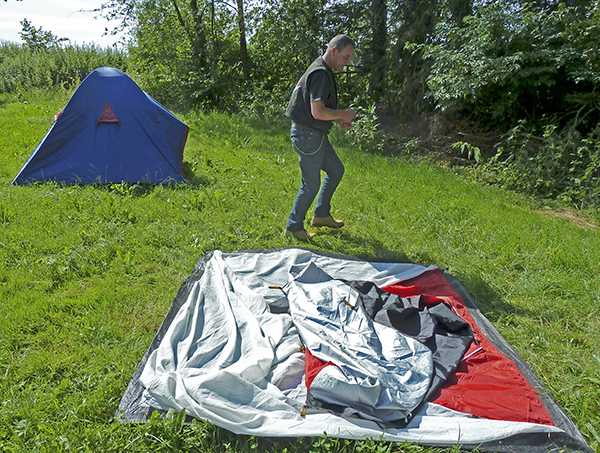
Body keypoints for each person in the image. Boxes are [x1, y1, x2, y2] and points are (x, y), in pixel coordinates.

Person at [284, 34, 357, 241]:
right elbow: (317, 112)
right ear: (334, 51)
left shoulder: (322, 69)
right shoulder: (320, 74)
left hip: (314, 134)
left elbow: (319, 111)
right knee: (311, 184)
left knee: (336, 170)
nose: (347, 63)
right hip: (307, 135)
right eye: (345, 57)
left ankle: (321, 215)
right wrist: (343, 114)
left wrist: (338, 118)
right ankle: (294, 227)